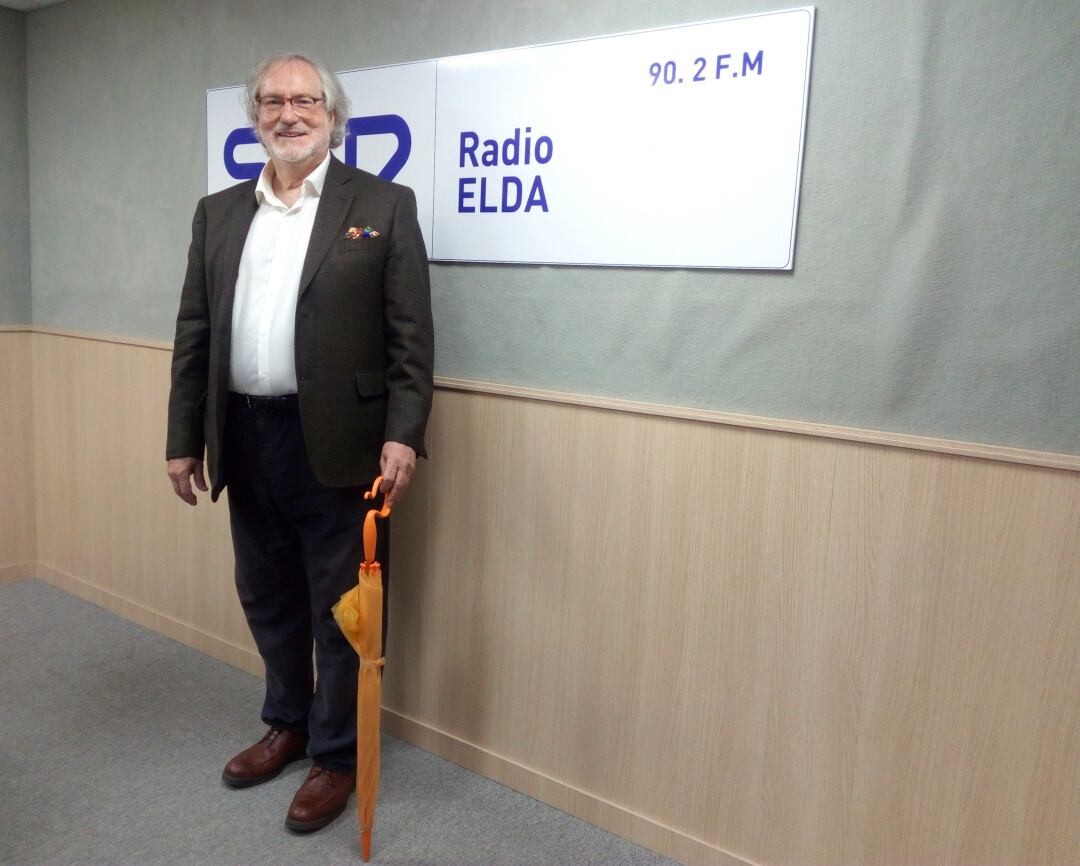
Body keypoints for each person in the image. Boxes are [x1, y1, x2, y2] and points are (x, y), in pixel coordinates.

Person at [166, 53, 433, 833]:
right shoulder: (217, 213)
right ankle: (285, 724)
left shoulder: (382, 204)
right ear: (255, 118)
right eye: (273, 101)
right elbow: (194, 333)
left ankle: (336, 756)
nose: (289, 113)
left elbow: (409, 336)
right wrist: (184, 438)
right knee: (267, 596)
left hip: (343, 443)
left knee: (341, 609)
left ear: (333, 115)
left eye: (305, 100)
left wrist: (404, 434)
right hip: (243, 436)